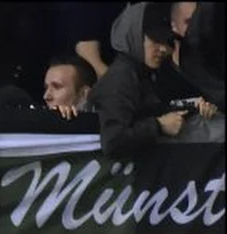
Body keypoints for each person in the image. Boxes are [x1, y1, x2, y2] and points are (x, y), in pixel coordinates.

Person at [91, 1, 214, 160]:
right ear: (135, 34)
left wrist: (195, 109)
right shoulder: (121, 78)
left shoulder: (144, 73)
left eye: (167, 41)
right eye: (155, 40)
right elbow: (113, 141)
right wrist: (158, 126)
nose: (163, 49)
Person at [43, 54, 97, 119]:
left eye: (56, 87)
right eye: (46, 88)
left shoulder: (106, 125)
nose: (46, 96)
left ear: (83, 94)